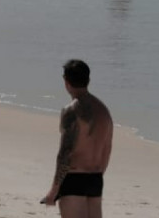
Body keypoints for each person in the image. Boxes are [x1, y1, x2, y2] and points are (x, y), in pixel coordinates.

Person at [41, 59, 114, 217]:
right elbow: (107, 149)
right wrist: (98, 176)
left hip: (74, 178)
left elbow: (65, 153)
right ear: (88, 80)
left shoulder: (71, 111)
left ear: (66, 82)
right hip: (95, 178)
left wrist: (53, 191)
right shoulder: (104, 111)